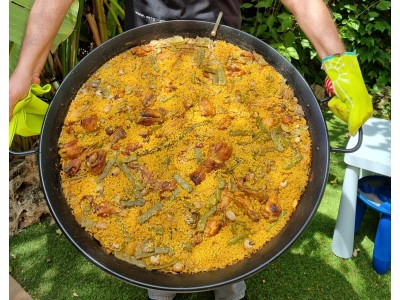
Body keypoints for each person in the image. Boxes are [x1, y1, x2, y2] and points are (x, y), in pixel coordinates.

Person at [8, 1, 373, 299]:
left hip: (222, 51)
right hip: (145, 57)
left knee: (231, 268)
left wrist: (339, 64)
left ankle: (229, 287)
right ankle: (160, 283)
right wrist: (26, 70)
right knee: (155, 269)